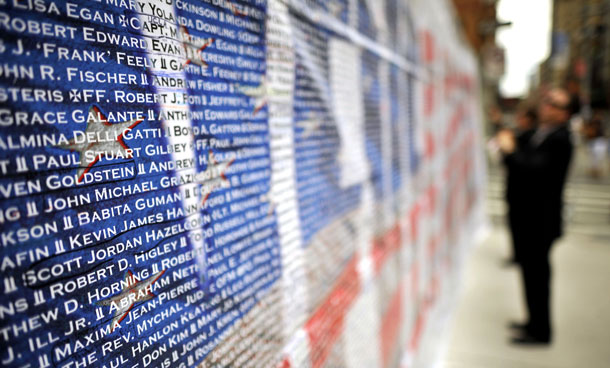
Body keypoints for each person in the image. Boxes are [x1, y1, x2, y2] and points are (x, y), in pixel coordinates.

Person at [496, 88, 574, 345]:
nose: (546, 106)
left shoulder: (561, 139)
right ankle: (533, 322)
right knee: (530, 274)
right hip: (529, 218)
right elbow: (519, 144)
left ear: (565, 113)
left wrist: (509, 152)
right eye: (546, 101)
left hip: (540, 221)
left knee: (538, 277)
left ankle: (541, 332)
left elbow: (532, 171)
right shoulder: (542, 133)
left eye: (554, 104)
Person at [501, 106, 537, 266]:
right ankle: (518, 253)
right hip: (516, 190)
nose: (518, 120)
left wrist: (509, 151)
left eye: (521, 117)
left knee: (519, 226)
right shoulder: (523, 135)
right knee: (515, 225)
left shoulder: (530, 138)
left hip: (522, 192)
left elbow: (522, 165)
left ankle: (520, 254)